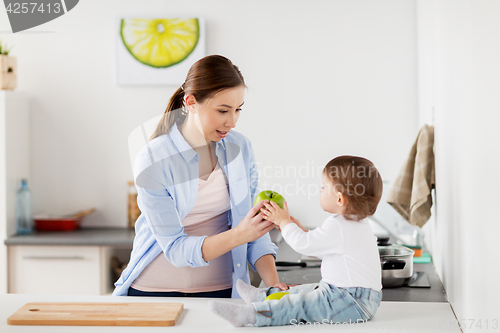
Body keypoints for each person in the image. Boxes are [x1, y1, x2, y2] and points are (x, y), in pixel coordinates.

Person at [113, 55, 287, 298]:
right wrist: (241, 234)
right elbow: (175, 249)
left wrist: (273, 284)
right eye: (223, 110)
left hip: (224, 291)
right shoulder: (153, 158)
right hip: (155, 293)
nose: (233, 121)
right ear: (191, 102)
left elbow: (252, 227)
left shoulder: (241, 148)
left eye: (238, 110)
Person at [209, 155, 384, 326]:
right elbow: (322, 247)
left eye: (323, 187)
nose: (320, 190)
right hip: (354, 297)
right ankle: (261, 297)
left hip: (351, 300)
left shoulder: (340, 225)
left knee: (299, 306)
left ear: (339, 198)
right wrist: (301, 231)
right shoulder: (356, 224)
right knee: (303, 291)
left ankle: (252, 315)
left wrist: (284, 222)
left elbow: (303, 245)